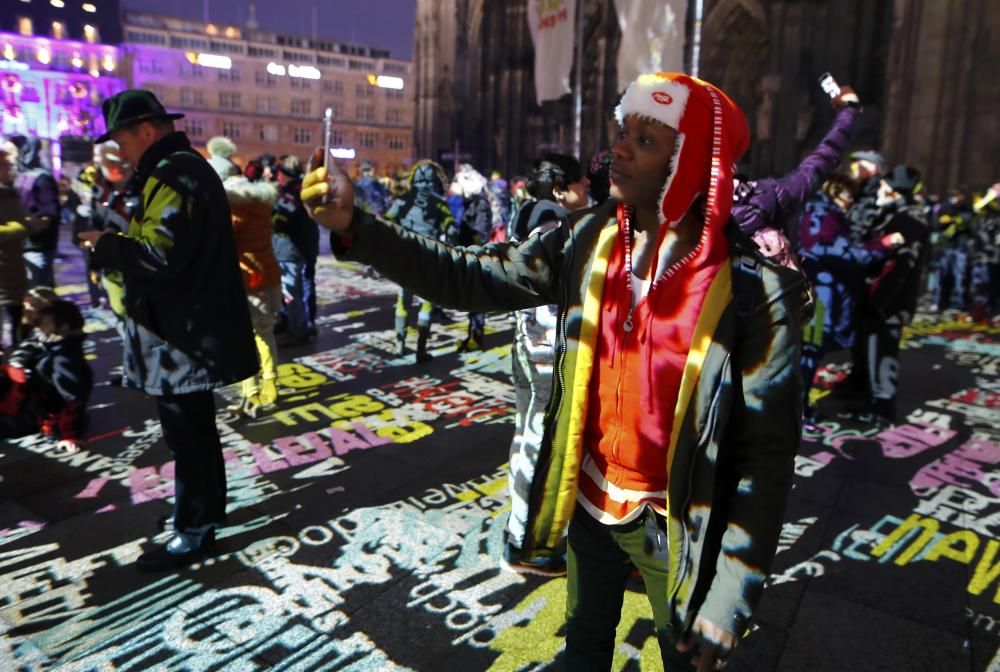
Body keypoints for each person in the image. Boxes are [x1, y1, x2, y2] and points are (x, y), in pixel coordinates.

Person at [302, 72, 807, 671]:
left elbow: (765, 458)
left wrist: (730, 593)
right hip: (591, 504)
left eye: (645, 141)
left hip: (679, 530)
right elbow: (470, 276)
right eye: (625, 131)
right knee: (583, 645)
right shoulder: (587, 239)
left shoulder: (756, 292)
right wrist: (358, 226)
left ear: (694, 164)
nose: (617, 147)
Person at [78, 90, 257, 571]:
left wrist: (108, 245)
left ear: (147, 131)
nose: (121, 152)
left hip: (182, 334)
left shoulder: (175, 173)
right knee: (196, 431)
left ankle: (193, 531)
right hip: (186, 328)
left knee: (188, 436)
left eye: (123, 141)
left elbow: (159, 253)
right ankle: (203, 516)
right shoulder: (177, 170)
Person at [502, 153, 589, 577]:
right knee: (539, 439)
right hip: (543, 348)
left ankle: (518, 529)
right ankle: (527, 543)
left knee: (525, 436)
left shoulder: (529, 219)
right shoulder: (555, 229)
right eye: (580, 182)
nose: (587, 187)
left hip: (524, 341)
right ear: (559, 190)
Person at [797, 174, 902, 428]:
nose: (850, 202)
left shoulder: (822, 214)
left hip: (819, 292)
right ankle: (798, 410)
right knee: (808, 354)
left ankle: (799, 408)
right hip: (819, 296)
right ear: (834, 192)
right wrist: (884, 244)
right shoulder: (821, 218)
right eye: (847, 196)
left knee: (808, 353)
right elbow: (847, 254)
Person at [221, 172, 282, 417]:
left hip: (246, 280)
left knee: (243, 338)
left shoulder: (234, 214)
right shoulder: (263, 207)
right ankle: (271, 383)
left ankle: (251, 390)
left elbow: (224, 248)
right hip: (269, 275)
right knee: (265, 334)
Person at [383, 159, 455, 361]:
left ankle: (399, 344)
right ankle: (421, 351)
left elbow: (387, 221)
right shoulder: (440, 203)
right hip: (428, 258)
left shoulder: (403, 199)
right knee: (427, 303)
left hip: (404, 258)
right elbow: (451, 228)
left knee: (403, 301)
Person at [0, 299, 92, 453]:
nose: (39, 326)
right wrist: (17, 362)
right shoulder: (52, 344)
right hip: (29, 408)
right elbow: (31, 344)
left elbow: (72, 399)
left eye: (44, 323)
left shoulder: (63, 358)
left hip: (36, 417)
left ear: (62, 327)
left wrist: (69, 435)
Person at [271, 155, 317, 346]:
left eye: (278, 172)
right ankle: (294, 324)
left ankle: (298, 330)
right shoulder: (298, 189)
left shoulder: (293, 192)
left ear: (284, 173)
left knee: (292, 291)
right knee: (293, 290)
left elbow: (280, 218)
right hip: (295, 247)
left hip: (290, 248)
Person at [9, 136, 60, 288]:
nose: (7, 155)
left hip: (36, 247)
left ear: (24, 151)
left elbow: (50, 215)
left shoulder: (41, 178)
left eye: (11, 151)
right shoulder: (16, 176)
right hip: (18, 245)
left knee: (39, 294)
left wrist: (26, 225)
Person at [0, 141, 29, 348]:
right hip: (3, 279)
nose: (8, 168)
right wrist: (23, 227)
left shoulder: (8, 191)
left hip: (13, 272)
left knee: (17, 325)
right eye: (4, 164)